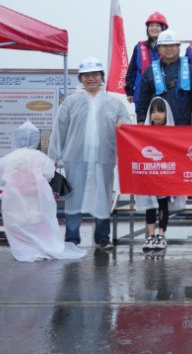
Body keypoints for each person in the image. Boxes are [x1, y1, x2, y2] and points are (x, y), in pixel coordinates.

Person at [48, 57, 130, 250]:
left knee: (103, 197)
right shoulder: (70, 102)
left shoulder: (115, 103)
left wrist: (123, 124)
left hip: (104, 159)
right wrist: (53, 157)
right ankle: (72, 239)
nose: (91, 78)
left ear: (102, 77)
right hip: (75, 158)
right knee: (73, 198)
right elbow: (59, 130)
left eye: (95, 74)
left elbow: (127, 127)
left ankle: (102, 237)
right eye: (86, 75)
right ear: (81, 79)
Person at [0, 121, 86, 262]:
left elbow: (0, 179)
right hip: (36, 199)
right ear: (35, 139)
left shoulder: (6, 159)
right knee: (39, 224)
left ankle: (23, 249)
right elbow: (49, 174)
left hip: (14, 202)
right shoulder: (41, 157)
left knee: (19, 225)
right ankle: (41, 247)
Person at [135, 97, 184, 252]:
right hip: (150, 178)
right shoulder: (144, 133)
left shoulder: (172, 133)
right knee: (150, 206)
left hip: (165, 178)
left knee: (163, 206)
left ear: (166, 114)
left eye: (160, 111)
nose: (157, 115)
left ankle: (161, 236)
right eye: (154, 112)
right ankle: (150, 236)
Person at [136, 30, 192, 126]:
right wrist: (141, 119)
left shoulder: (189, 69)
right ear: (159, 48)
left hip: (183, 125)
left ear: (178, 47)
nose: (169, 48)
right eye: (165, 46)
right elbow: (143, 99)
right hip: (158, 126)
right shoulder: (150, 70)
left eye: (172, 45)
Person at [124, 11, 167, 106]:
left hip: (164, 93)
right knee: (141, 115)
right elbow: (132, 70)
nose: (154, 28)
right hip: (141, 92)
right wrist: (129, 91)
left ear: (163, 28)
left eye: (157, 25)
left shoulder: (169, 48)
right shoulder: (139, 47)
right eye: (151, 25)